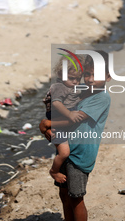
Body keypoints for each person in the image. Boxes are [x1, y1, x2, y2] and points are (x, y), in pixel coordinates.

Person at [39, 50, 111, 221]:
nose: (91, 79)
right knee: (64, 194)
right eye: (87, 74)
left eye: (96, 75)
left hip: (80, 154)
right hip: (67, 148)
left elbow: (74, 121)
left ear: (108, 77)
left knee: (76, 197)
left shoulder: (101, 98)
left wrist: (47, 124)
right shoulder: (82, 91)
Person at [43, 54, 84, 183]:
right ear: (60, 74)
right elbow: (56, 103)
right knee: (64, 152)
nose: (75, 82)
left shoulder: (71, 86)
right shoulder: (59, 87)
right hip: (58, 119)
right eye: (72, 78)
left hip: (63, 121)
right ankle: (54, 171)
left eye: (78, 79)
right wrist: (69, 114)